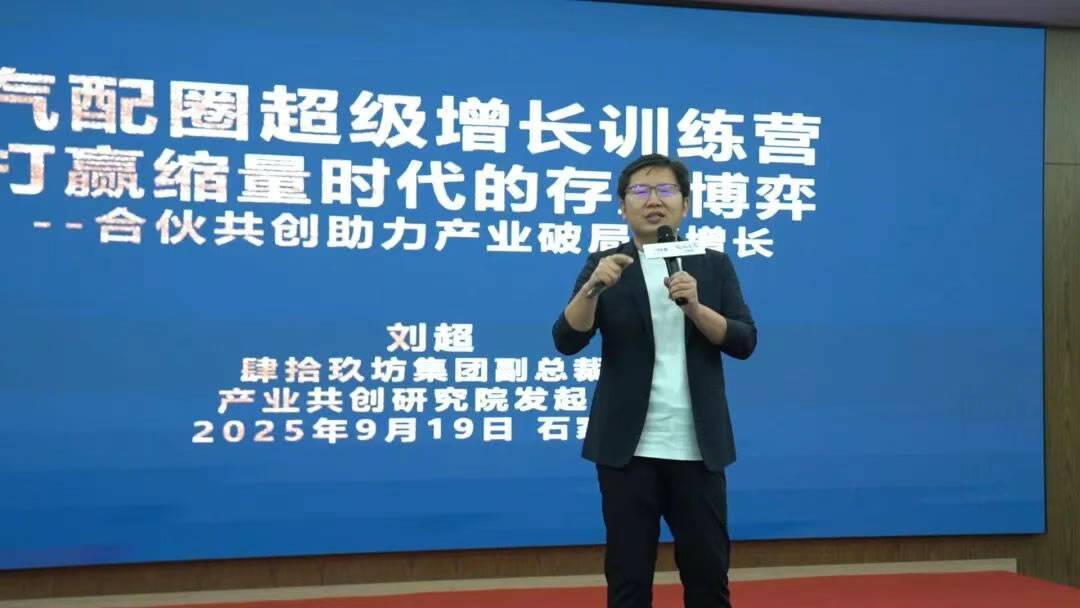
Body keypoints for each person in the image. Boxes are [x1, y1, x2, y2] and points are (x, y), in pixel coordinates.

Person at [552, 153, 757, 608]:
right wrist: (592, 289)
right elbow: (566, 339)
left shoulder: (712, 264)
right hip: (627, 451)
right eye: (640, 191)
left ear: (686, 203)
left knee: (708, 578)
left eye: (666, 190)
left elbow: (744, 341)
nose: (654, 201)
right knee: (628, 581)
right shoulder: (606, 264)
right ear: (622, 206)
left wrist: (696, 309)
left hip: (698, 448)